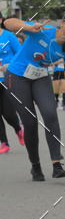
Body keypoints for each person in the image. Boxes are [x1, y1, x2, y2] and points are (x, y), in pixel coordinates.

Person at [1, 12, 65, 180]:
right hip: (17, 77)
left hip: (40, 77)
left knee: (50, 114)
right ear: (62, 23)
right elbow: (8, 23)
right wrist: (28, 27)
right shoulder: (43, 30)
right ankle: (35, 166)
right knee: (30, 122)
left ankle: (56, 164)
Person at [0, 25, 24, 153]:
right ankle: (4, 142)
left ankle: (18, 129)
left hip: (7, 77)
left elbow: (20, 54)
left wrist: (10, 65)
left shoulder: (9, 36)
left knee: (8, 113)